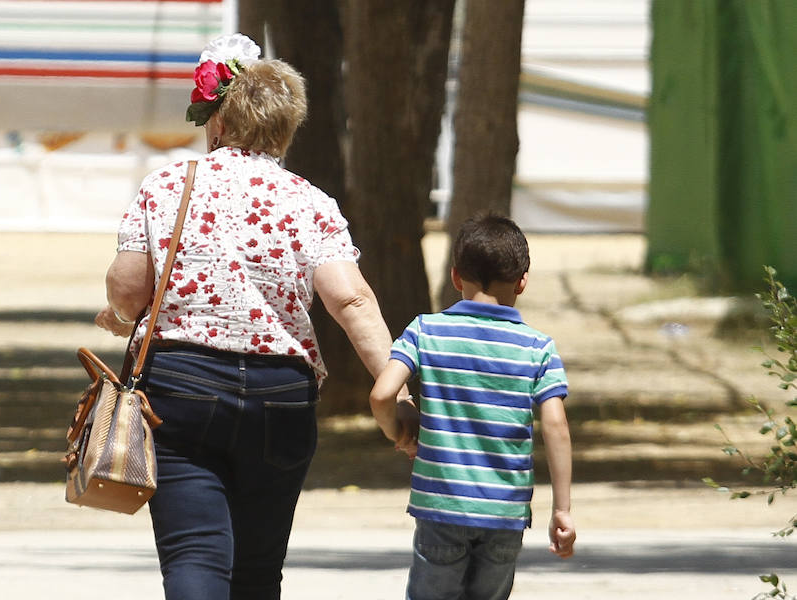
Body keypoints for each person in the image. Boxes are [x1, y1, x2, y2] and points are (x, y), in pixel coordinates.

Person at [94, 33, 406, 600]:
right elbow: (351, 300)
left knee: (195, 557)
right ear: (287, 130)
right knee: (259, 574)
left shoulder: (167, 186)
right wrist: (395, 388)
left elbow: (129, 285)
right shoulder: (310, 202)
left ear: (217, 121)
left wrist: (120, 315)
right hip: (281, 397)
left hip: (182, 391)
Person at [369, 214, 576, 600]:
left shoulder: (425, 331)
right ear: (522, 281)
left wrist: (397, 430)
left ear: (455, 277)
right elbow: (556, 426)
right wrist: (561, 509)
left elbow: (382, 394)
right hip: (505, 514)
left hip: (442, 509)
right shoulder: (537, 348)